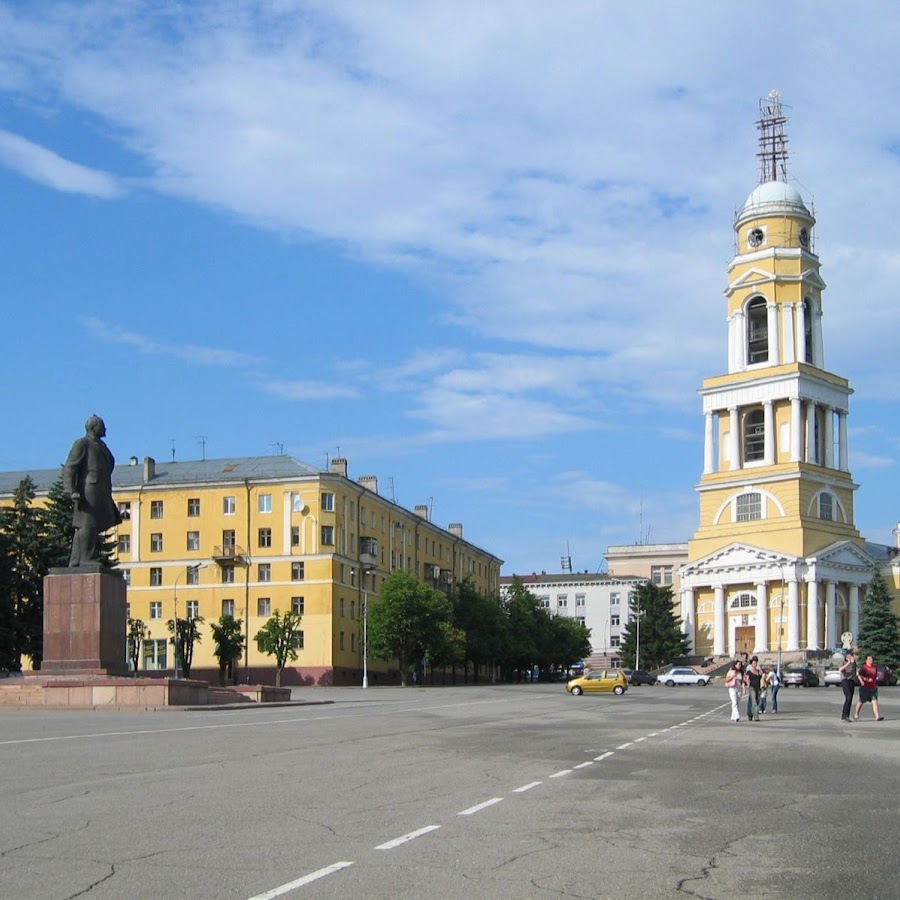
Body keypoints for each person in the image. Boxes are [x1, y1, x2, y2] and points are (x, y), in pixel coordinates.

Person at [63, 415, 121, 567]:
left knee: (88, 525)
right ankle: (85, 559)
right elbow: (71, 467)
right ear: (95, 427)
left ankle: (75, 560)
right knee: (87, 524)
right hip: (88, 491)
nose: (105, 429)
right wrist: (70, 490)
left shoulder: (101, 446)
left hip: (101, 491)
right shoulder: (82, 443)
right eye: (103, 426)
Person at [854, 654, 884, 721]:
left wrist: (875, 682)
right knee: (861, 701)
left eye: (872, 659)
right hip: (864, 687)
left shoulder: (874, 668)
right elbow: (859, 675)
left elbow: (875, 677)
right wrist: (865, 679)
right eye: (869, 659)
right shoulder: (864, 668)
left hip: (873, 688)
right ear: (866, 660)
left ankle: (877, 716)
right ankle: (856, 714)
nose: (871, 660)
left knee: (875, 701)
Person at [838, 650, 858, 722]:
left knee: (850, 699)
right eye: (849, 656)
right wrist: (848, 663)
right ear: (846, 656)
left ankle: (846, 716)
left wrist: (853, 663)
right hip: (845, 680)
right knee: (848, 697)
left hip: (851, 681)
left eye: (851, 656)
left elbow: (854, 672)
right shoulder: (843, 662)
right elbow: (840, 669)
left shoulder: (853, 663)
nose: (850, 657)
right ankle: (844, 715)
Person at [745, 656, 763, 721]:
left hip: (758, 688)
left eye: (756, 662)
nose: (755, 664)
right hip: (751, 687)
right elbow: (746, 678)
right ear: (752, 663)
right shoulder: (749, 671)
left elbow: (762, 678)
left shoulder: (758, 671)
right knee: (754, 702)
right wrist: (747, 683)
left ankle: (751, 713)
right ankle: (756, 717)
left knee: (757, 701)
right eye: (754, 663)